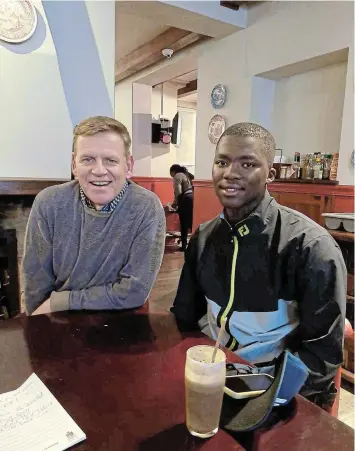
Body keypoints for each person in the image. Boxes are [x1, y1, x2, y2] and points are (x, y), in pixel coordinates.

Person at [171, 122, 346, 407]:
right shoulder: (203, 237)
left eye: (248, 163)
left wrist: (266, 403)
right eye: (222, 162)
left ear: (270, 175)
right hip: (214, 378)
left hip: (277, 392)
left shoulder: (310, 247)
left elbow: (321, 357)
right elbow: (184, 317)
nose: (230, 173)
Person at [23, 116, 166, 315]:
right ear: (74, 164)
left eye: (110, 160)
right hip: (56, 319)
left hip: (122, 320)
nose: (99, 170)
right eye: (88, 159)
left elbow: (134, 291)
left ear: (129, 166)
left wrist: (63, 300)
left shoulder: (146, 208)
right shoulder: (48, 203)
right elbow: (35, 285)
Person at [170, 164, 194, 252]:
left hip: (186, 199)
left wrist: (175, 204)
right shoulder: (187, 174)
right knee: (191, 223)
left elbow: (178, 192)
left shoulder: (177, 176)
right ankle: (192, 246)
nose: (172, 177)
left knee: (183, 224)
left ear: (173, 171)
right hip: (193, 198)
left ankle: (184, 246)